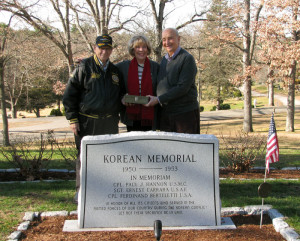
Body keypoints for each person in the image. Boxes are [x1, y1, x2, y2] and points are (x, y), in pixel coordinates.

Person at [62, 34, 124, 202]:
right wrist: (73, 119)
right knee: (84, 156)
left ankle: (106, 192)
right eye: (101, 47)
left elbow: (121, 96)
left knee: (109, 157)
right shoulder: (84, 67)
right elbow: (69, 95)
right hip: (87, 121)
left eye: (108, 48)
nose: (104, 51)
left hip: (109, 122)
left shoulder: (115, 72)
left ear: (112, 49)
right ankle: (81, 192)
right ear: (95, 48)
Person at [146, 28, 200, 134]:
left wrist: (158, 99)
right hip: (166, 114)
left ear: (178, 39)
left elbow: (182, 88)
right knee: (168, 149)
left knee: (186, 149)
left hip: (184, 115)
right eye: (164, 39)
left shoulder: (186, 59)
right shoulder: (164, 60)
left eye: (170, 38)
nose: (167, 42)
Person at [116, 35, 160, 131]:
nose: (141, 50)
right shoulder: (122, 67)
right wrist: (122, 98)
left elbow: (160, 89)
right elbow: (117, 88)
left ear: (148, 49)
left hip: (150, 114)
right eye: (137, 47)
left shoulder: (156, 67)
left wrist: (156, 98)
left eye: (144, 47)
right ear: (133, 49)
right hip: (131, 115)